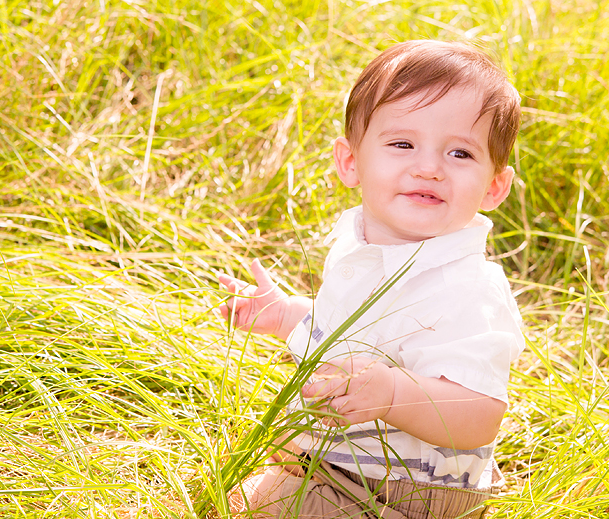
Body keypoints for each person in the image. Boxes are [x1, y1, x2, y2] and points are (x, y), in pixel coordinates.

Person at [218, 40, 524, 519]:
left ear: (493, 187)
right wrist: (289, 317)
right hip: (348, 462)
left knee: (257, 506)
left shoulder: (467, 288)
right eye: (403, 144)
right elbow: (355, 331)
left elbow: (480, 414)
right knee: (240, 489)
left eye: (460, 153)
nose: (428, 167)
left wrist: (393, 393)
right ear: (350, 162)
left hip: (408, 485)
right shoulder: (361, 244)